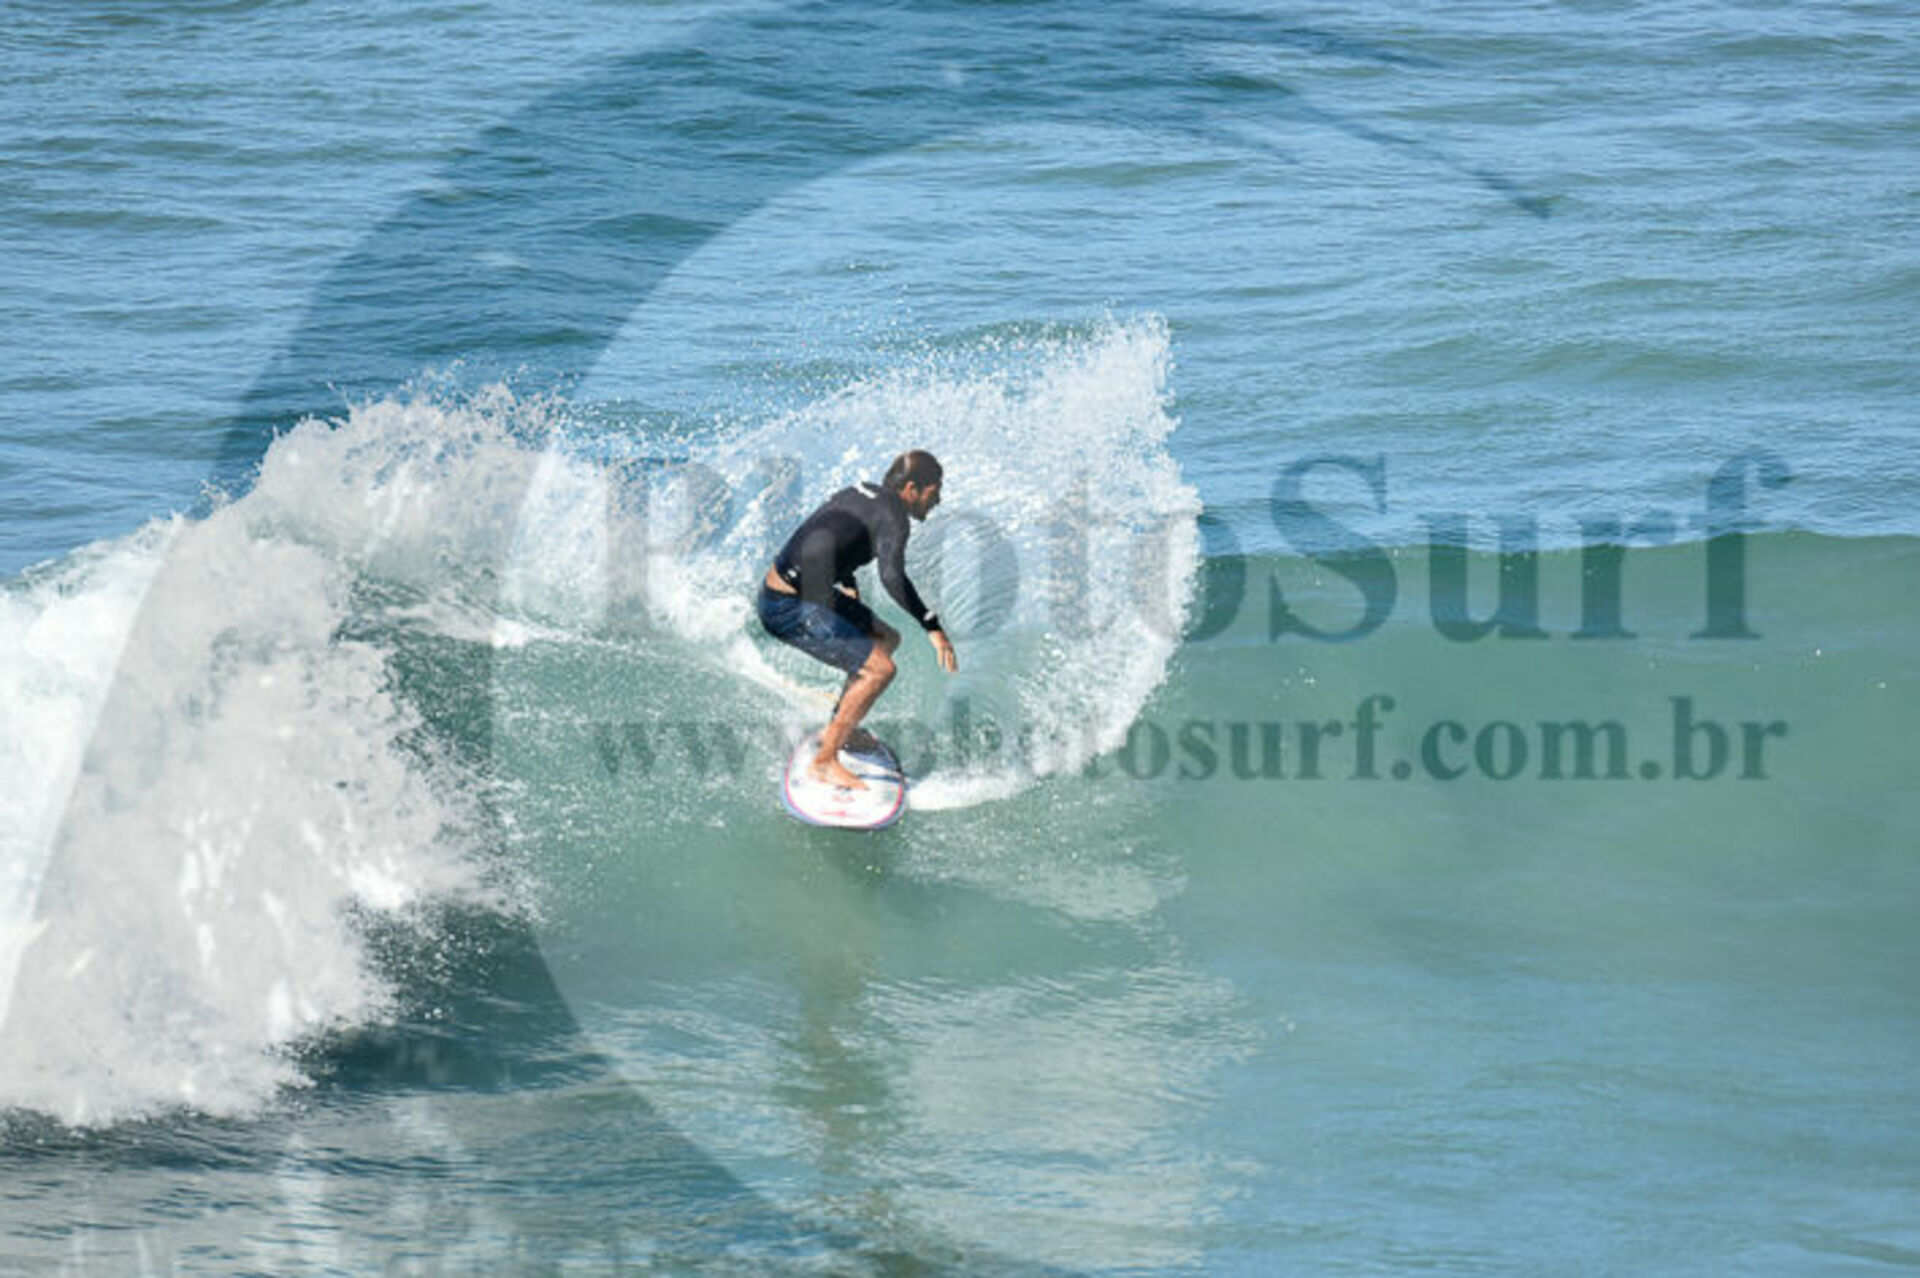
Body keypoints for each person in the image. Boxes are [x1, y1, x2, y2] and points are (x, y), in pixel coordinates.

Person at [758, 450, 958, 789]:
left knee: (886, 639)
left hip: (801, 593)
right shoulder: (895, 517)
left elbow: (830, 534)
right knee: (879, 670)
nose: (937, 500)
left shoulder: (863, 493)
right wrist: (932, 627)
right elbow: (892, 577)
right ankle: (824, 762)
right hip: (787, 604)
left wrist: (847, 583)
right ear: (911, 488)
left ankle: (842, 730)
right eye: (933, 491)